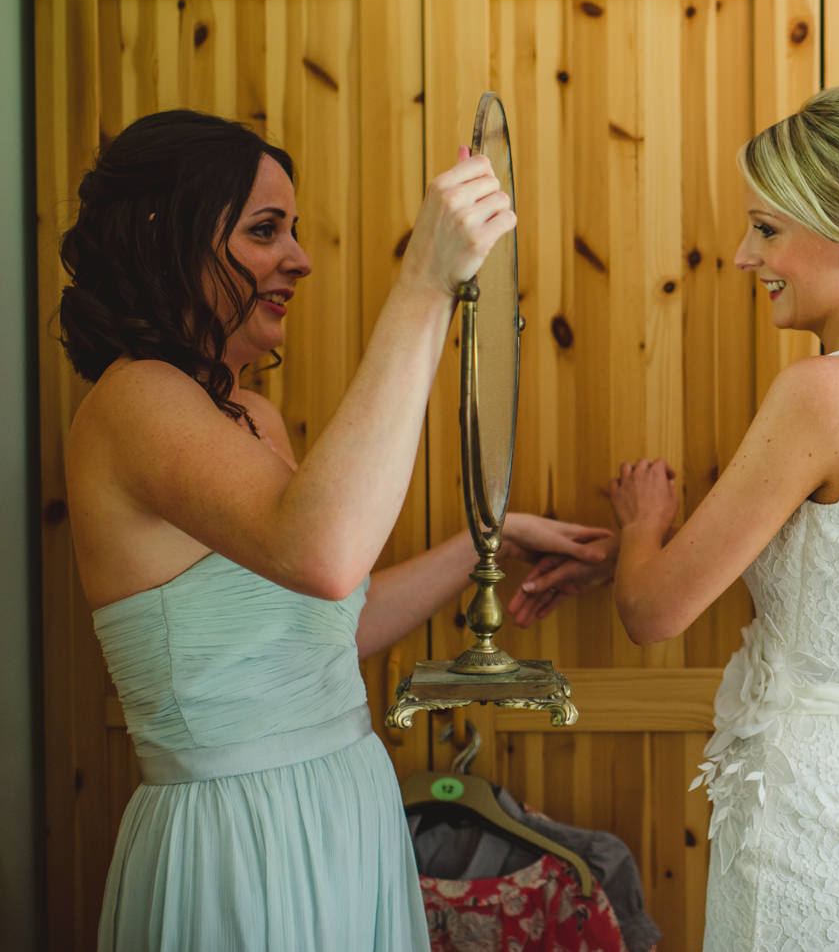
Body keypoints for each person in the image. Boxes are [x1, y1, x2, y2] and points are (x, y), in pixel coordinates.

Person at [59, 109, 611, 952]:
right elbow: (322, 551)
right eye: (264, 230)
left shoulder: (250, 416)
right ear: (163, 234)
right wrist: (424, 282)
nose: (299, 259)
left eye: (294, 230)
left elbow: (324, 627)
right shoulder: (134, 399)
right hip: (239, 837)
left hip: (344, 806)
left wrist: (487, 542)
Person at [510, 82, 839, 951]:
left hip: (808, 828)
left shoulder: (823, 392)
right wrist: (632, 551)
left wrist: (646, 520)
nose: (743, 255)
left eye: (767, 228)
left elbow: (651, 611)